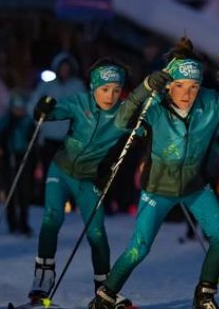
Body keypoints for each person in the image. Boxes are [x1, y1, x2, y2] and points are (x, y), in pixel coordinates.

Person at [89, 37, 219, 309]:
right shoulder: (156, 105)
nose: (187, 93)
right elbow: (122, 120)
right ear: (169, 84)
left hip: (194, 186)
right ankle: (105, 296)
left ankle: (204, 294)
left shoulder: (211, 102)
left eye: (194, 86)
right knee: (139, 248)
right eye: (180, 85)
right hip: (158, 189)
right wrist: (146, 87)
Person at [28, 59, 131, 306]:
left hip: (88, 179)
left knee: (96, 232)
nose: (110, 96)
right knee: (52, 218)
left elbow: (142, 129)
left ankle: (105, 287)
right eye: (105, 89)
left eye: (116, 90)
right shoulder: (79, 102)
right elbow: (51, 113)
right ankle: (43, 276)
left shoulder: (123, 112)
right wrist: (43, 109)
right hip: (61, 170)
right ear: (94, 87)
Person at [28, 52, 87, 182]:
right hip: (49, 138)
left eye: (67, 68)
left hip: (69, 139)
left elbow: (85, 109)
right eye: (62, 68)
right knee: (48, 172)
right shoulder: (47, 86)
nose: (64, 71)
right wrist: (38, 119)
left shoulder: (77, 87)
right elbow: (32, 105)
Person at [0, 92, 35, 236]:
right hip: (8, 157)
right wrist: (4, 138)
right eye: (16, 108)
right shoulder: (5, 120)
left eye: (21, 108)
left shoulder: (27, 121)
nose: (19, 111)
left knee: (24, 192)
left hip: (22, 157)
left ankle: (24, 222)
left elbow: (34, 137)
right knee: (10, 191)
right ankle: (12, 221)